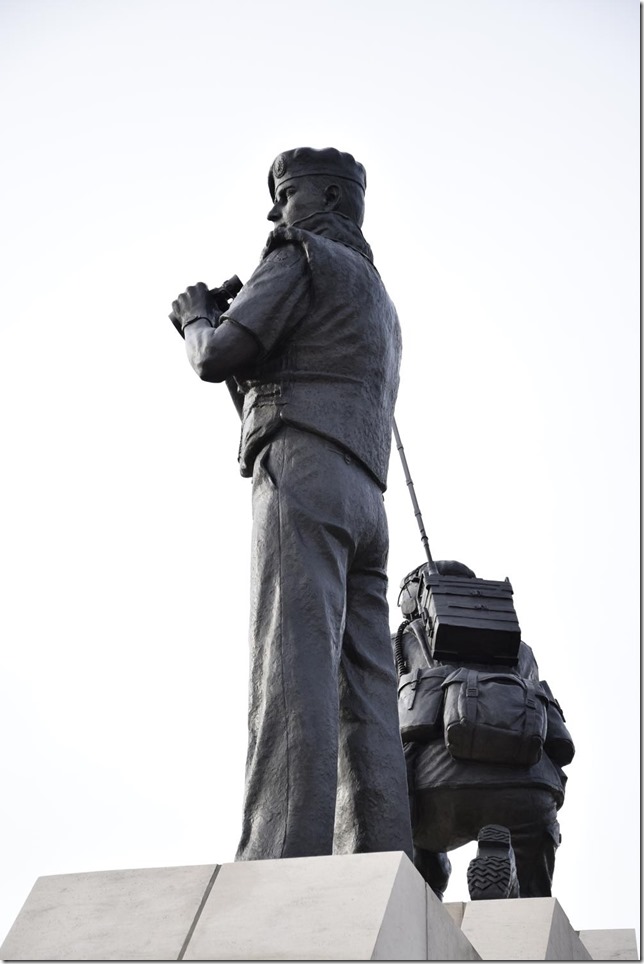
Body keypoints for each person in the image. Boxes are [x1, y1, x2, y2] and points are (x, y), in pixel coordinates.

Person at [170, 147, 413, 862]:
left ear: (329, 199)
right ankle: (378, 857)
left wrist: (196, 319)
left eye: (286, 194)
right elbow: (269, 381)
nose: (275, 210)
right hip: (366, 499)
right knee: (367, 686)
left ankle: (278, 857)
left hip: (303, 472)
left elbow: (216, 358)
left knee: (292, 655)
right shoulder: (379, 298)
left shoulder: (296, 253)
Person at [393, 560, 573, 900]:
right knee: (532, 886)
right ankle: (513, 879)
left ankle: (428, 890)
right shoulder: (520, 649)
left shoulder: (399, 644)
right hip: (528, 788)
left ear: (412, 599)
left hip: (436, 789)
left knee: (415, 836)